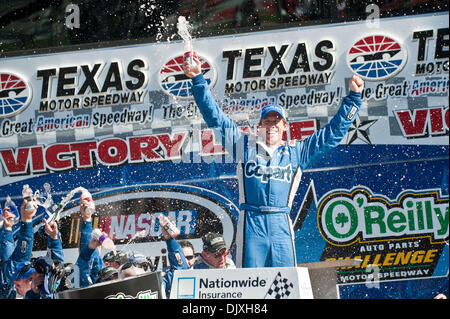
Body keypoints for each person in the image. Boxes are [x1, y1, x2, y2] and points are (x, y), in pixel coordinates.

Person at [183, 57, 364, 268]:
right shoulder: (244, 145)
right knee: (252, 283)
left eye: (276, 122)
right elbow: (215, 118)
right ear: (259, 125)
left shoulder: (298, 152)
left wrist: (354, 98)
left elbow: (333, 134)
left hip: (281, 225)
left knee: (285, 282)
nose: (271, 126)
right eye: (267, 122)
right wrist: (197, 79)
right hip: (251, 224)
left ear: (285, 126)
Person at [0, 196, 37, 298]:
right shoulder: (7, 289)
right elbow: (8, 261)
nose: (36, 285)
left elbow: (20, 260)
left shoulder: (6, 288)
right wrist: (7, 229)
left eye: (31, 279)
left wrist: (27, 220)